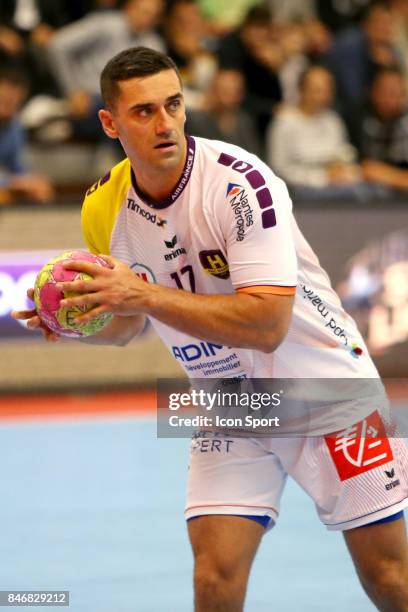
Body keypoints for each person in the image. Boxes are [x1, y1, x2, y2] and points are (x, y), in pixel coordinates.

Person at [12, 47, 408, 611]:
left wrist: (141, 293)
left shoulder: (240, 185)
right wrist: (77, 321)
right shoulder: (102, 207)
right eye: (144, 111)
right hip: (235, 406)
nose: (165, 122)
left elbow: (267, 324)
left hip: (331, 392)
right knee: (214, 578)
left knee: (388, 577)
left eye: (173, 104)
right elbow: (128, 326)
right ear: (110, 122)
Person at [267, 65, 364, 201]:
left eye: (328, 90)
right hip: (299, 191)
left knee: (372, 190)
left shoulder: (333, 120)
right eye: (317, 90)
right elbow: (278, 169)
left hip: (338, 184)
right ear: (302, 90)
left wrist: (345, 171)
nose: (324, 96)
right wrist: (321, 178)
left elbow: (344, 154)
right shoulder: (284, 123)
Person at [0, 67, 54, 204]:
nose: (9, 106)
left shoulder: (16, 127)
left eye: (14, 102)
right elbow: (16, 180)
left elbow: (18, 167)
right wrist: (18, 183)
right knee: (4, 195)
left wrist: (33, 181)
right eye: (4, 100)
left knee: (40, 191)